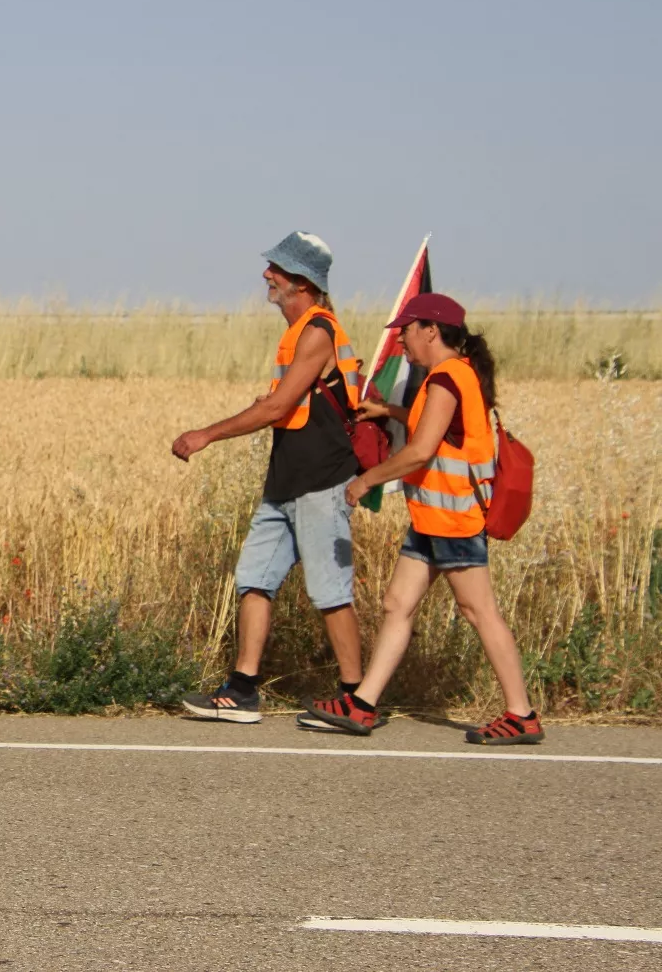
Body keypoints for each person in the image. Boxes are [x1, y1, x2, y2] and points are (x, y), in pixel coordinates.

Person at [303, 294, 543, 745]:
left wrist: (365, 481)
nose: (401, 340)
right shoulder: (451, 376)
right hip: (432, 519)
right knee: (398, 604)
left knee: (479, 610)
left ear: (430, 330)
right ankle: (364, 704)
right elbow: (434, 427)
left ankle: (521, 714)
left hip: (454, 519)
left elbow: (421, 449)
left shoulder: (448, 377)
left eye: (406, 330)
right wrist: (390, 411)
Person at [172, 232, 366, 724]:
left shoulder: (318, 330)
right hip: (285, 480)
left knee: (330, 591)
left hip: (320, 481)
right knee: (254, 579)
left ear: (301, 281)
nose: (267, 276)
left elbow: (279, 407)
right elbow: (285, 407)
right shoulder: (300, 329)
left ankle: (355, 696)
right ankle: (242, 690)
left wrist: (206, 435)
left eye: (276, 270)